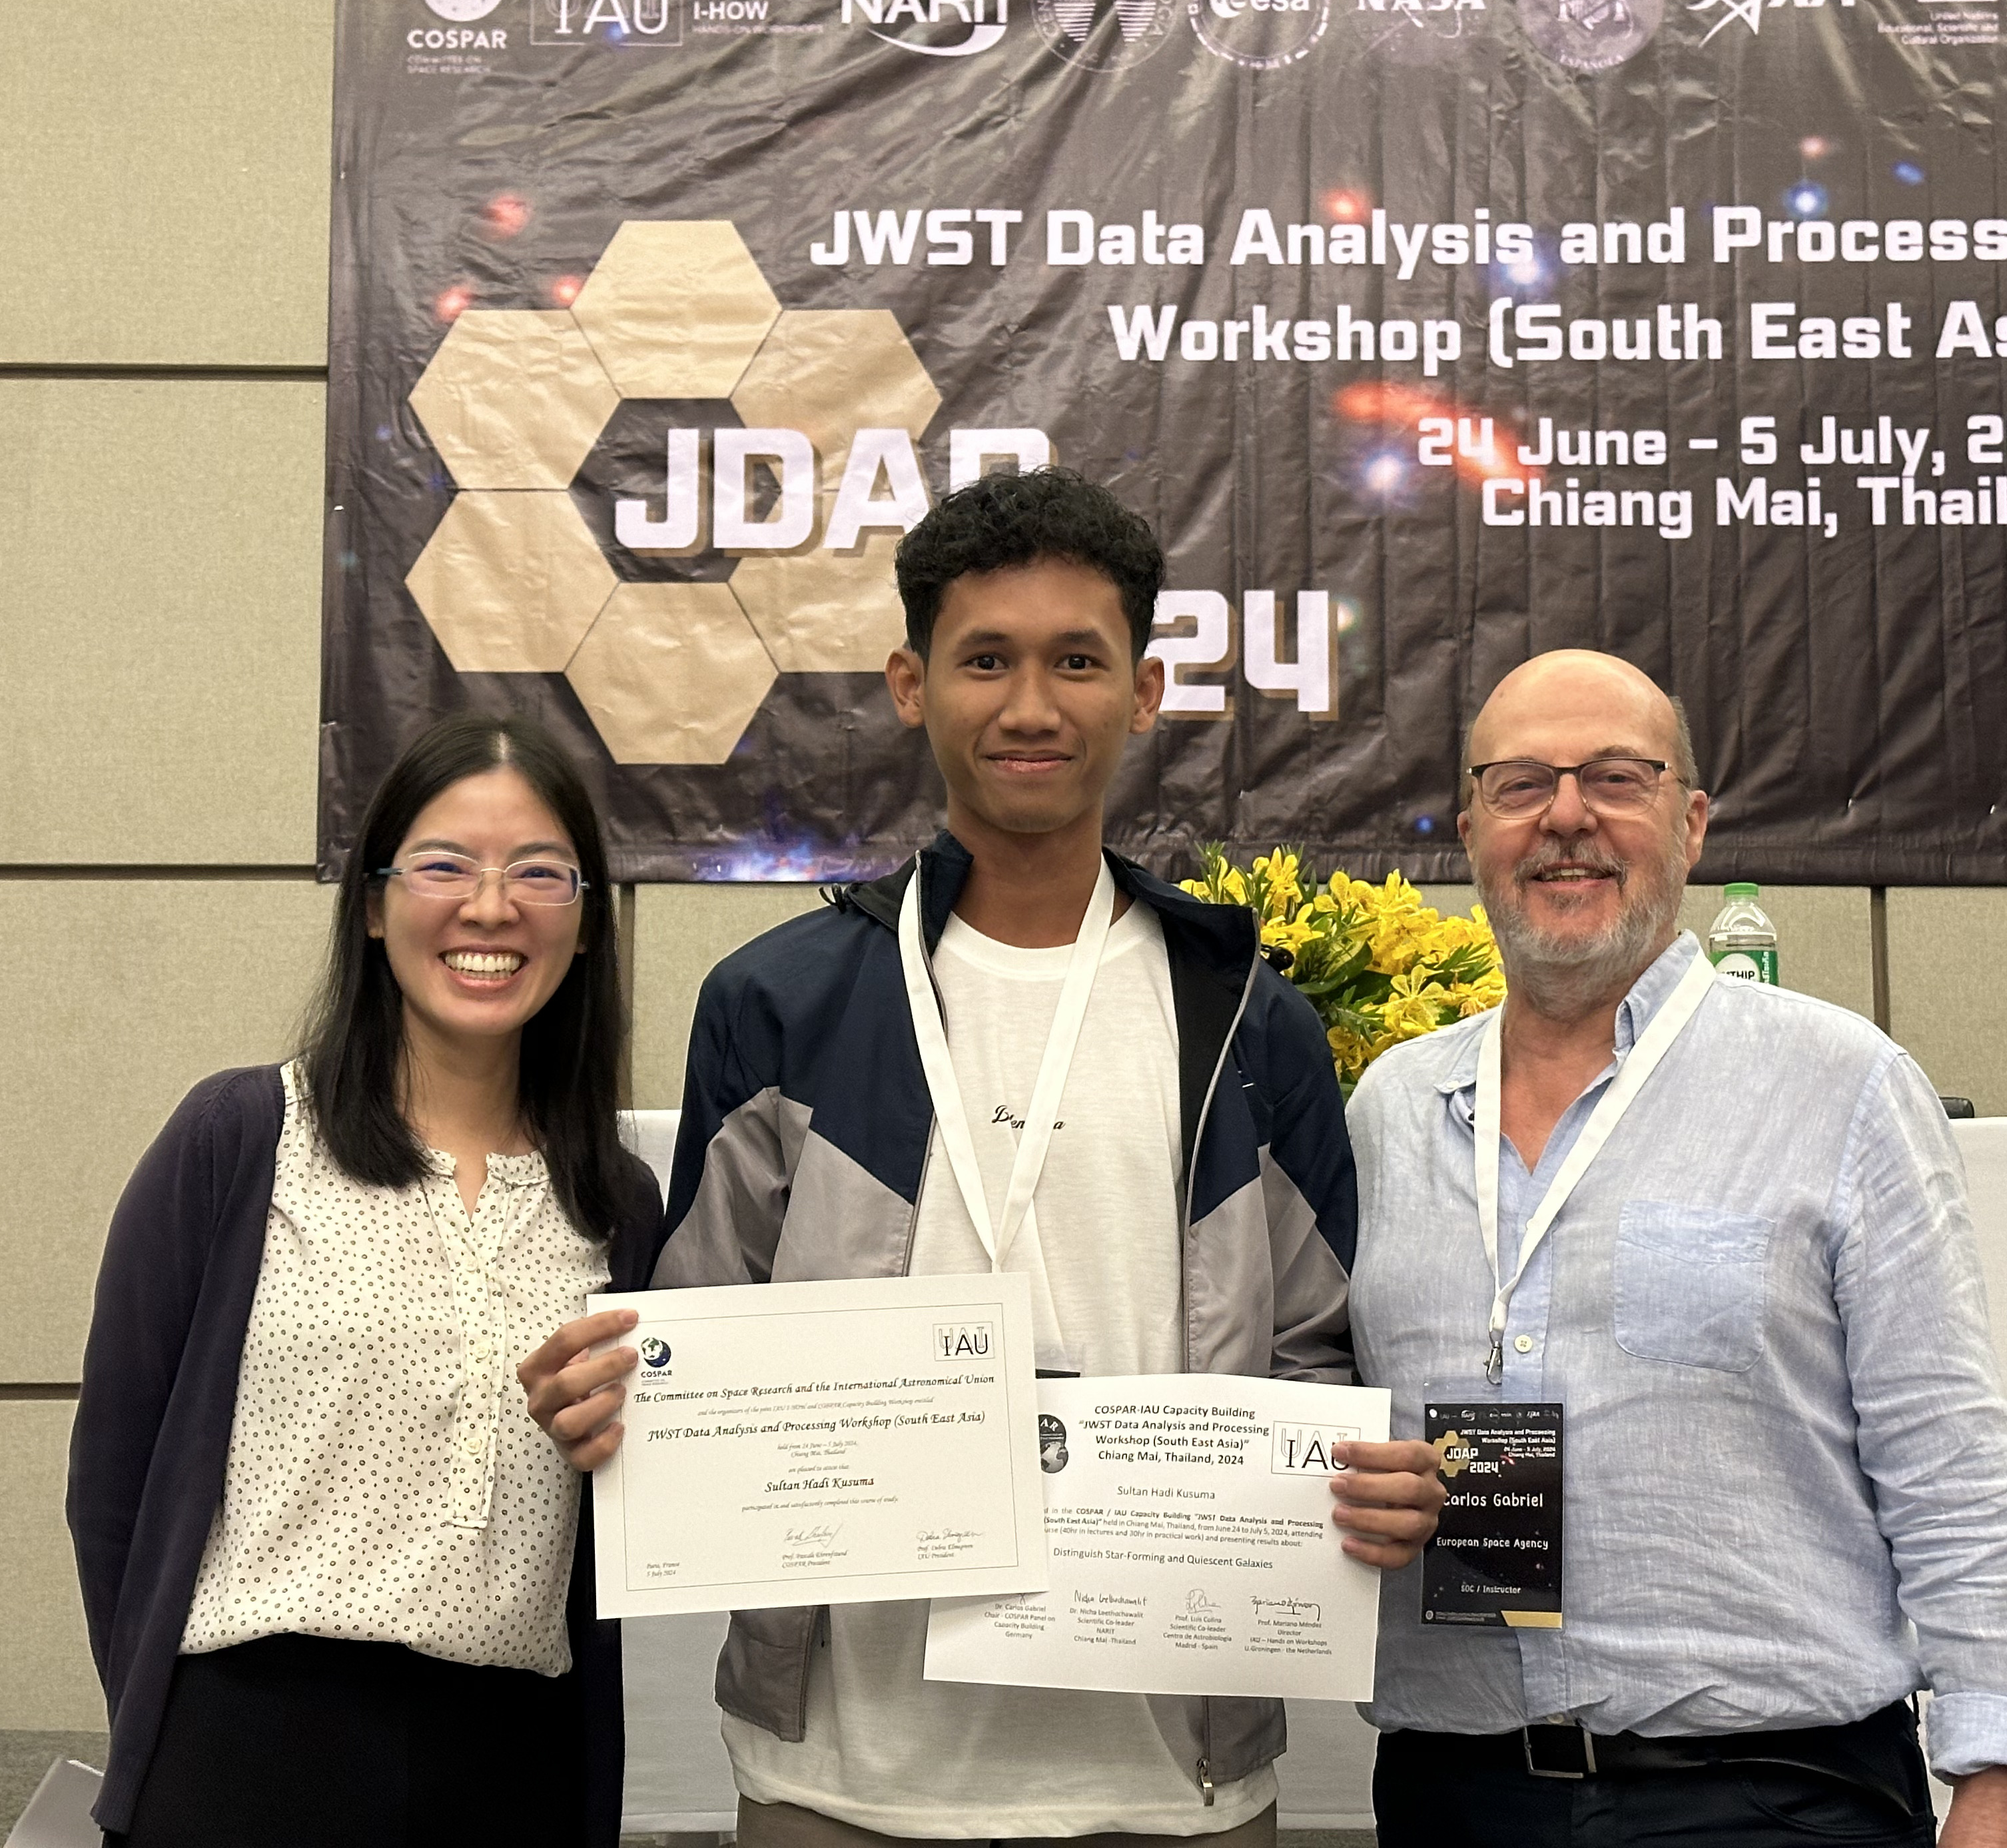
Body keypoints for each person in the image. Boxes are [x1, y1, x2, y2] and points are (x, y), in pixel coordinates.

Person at [523, 467, 1442, 1847]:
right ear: (911, 684)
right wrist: (617, 1401)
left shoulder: (1252, 1026)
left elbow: (1318, 1364)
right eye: (986, 659)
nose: (1031, 705)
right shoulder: (780, 1008)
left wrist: (1366, 1478)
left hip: (1175, 1790)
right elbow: (697, 1353)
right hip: (838, 1785)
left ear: (1144, 690)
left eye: (1078, 660)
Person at [1345, 649, 2007, 1846]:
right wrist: (1343, 1489)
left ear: (1691, 825)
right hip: (1458, 1796)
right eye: (1522, 784)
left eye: (1617, 778)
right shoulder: (1391, 1109)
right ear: (1474, 830)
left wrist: (2006, 1776)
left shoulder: (1842, 1086)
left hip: (1770, 1800)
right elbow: (1320, 1409)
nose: (1567, 818)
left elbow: (1948, 1455)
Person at [67, 715, 661, 1847]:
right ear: (375, 904)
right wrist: (160, 1724)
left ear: (586, 923)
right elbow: (113, 1484)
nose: (491, 908)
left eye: (540, 872)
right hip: (247, 1757)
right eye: (444, 866)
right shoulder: (242, 1138)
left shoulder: (617, 1203)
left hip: (514, 1762)